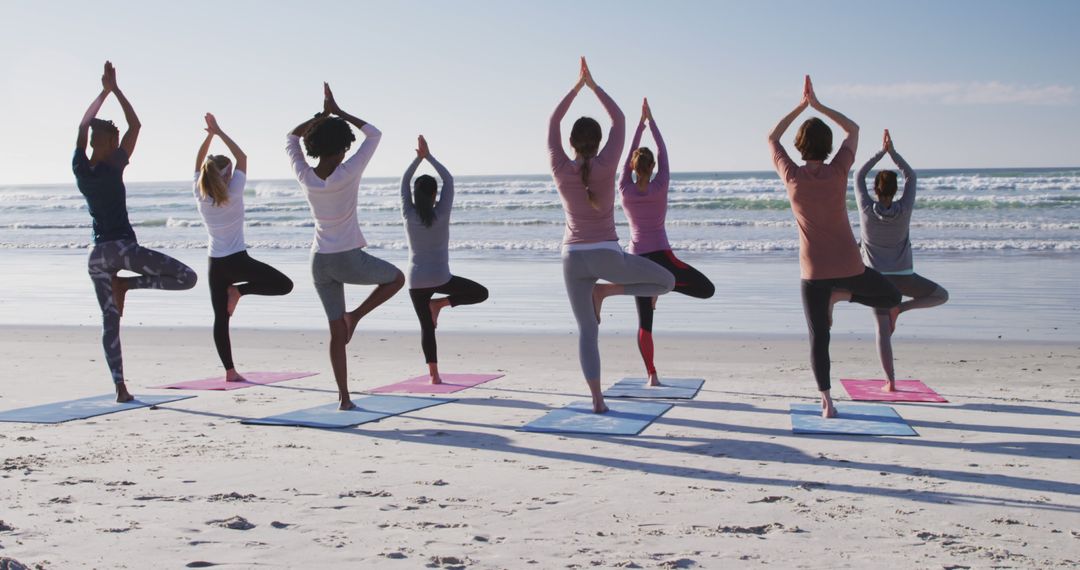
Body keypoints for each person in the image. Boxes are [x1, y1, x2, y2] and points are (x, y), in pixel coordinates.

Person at [767, 75, 901, 418]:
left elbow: (771, 137)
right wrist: (818, 105)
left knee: (818, 336)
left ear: (799, 145)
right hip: (849, 266)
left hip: (813, 272)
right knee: (891, 298)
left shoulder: (791, 175)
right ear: (827, 146)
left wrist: (800, 107)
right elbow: (853, 129)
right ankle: (842, 297)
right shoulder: (839, 170)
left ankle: (827, 402)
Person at [549, 58, 675, 414]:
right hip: (606, 254)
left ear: (571, 142)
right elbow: (620, 119)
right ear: (600, 142)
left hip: (571, 258)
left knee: (588, 331)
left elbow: (553, 121)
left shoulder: (559, 167)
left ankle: (597, 400)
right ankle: (607, 290)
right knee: (665, 282)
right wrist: (593, 86)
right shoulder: (607, 165)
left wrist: (576, 89)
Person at [74, 61, 197, 402]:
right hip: (124, 250)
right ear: (107, 141)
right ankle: (127, 283)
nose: (119, 143)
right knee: (187, 277)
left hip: (97, 255)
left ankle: (120, 388)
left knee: (109, 322)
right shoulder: (113, 165)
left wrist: (105, 93)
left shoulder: (82, 168)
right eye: (114, 139)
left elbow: (83, 127)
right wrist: (114, 90)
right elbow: (135, 124)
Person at [287, 83, 405, 410]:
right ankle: (357, 315)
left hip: (318, 262)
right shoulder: (348, 172)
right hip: (347, 258)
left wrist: (320, 118)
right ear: (341, 148)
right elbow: (374, 134)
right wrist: (338, 112)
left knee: (335, 332)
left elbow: (290, 138)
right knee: (396, 279)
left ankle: (344, 398)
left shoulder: (304, 175)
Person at [620, 98, 715, 386]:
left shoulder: (624, 189)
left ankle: (652, 376)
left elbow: (627, 160)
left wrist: (639, 126)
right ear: (653, 167)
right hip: (663, 256)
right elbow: (663, 151)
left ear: (635, 168)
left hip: (637, 261)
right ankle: (662, 286)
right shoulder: (661, 185)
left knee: (644, 323)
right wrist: (652, 122)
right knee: (706, 289)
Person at [194, 113, 294, 382]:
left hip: (215, 263)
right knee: (285, 285)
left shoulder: (199, 193)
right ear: (226, 174)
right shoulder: (233, 191)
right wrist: (220, 131)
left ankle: (230, 372)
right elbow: (243, 157)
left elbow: (199, 162)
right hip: (238, 260)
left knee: (220, 319)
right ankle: (240, 290)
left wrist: (209, 136)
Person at [855, 129, 949, 391]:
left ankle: (890, 382)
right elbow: (911, 175)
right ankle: (902, 309)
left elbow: (858, 175)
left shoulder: (864, 207)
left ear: (875, 189)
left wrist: (879, 153)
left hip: (873, 278)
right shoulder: (905, 208)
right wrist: (892, 153)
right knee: (941, 295)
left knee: (882, 330)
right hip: (904, 276)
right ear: (897, 190)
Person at [400, 135, 489, 384]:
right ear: (435, 194)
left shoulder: (408, 213)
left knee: (426, 328)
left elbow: (404, 181)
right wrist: (429, 157)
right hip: (441, 278)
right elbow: (449, 179)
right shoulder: (442, 212)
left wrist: (418, 159)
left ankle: (434, 376)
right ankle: (441, 304)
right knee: (481, 293)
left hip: (416, 281)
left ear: (415, 195)